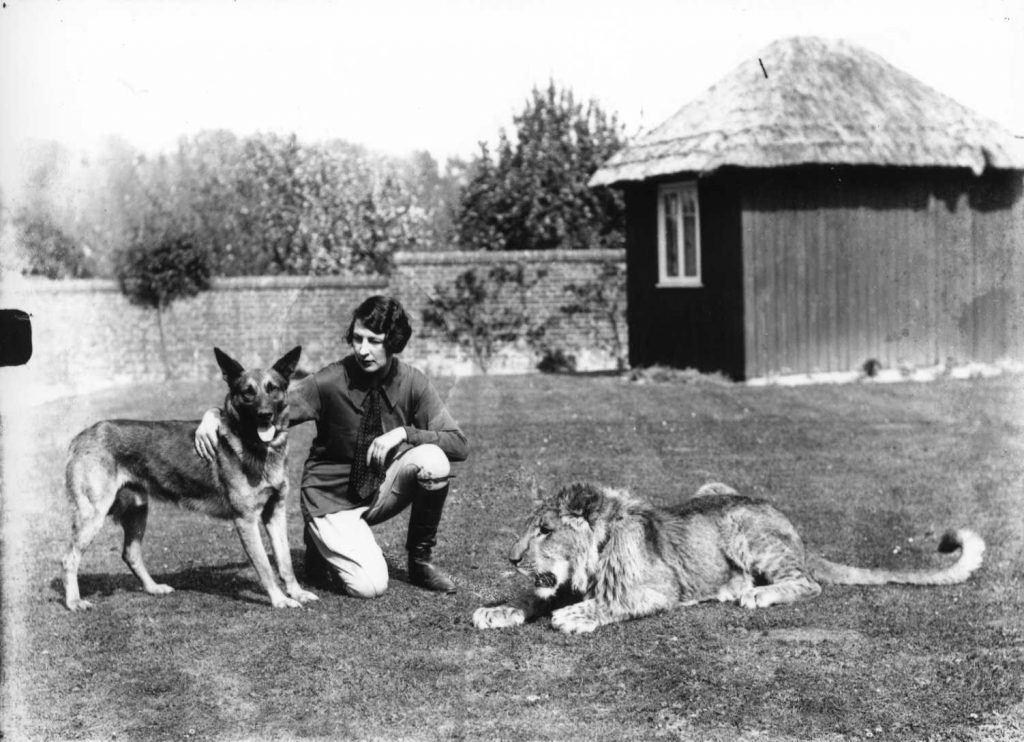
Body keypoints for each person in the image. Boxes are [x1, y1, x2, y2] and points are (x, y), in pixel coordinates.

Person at [193, 295, 468, 597]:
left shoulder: (413, 382)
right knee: (370, 587)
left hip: (379, 488)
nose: (363, 350)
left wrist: (404, 433)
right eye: (357, 339)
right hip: (330, 499)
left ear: (394, 342)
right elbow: (267, 407)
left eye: (374, 341)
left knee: (434, 460)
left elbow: (458, 444)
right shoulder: (328, 382)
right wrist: (213, 415)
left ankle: (420, 562)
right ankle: (318, 544)